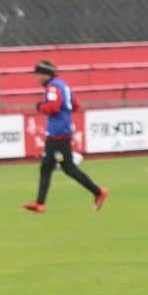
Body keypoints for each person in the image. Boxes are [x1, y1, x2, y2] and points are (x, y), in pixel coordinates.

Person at [23, 59, 107, 214]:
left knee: (67, 168)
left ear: (45, 74)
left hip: (58, 134)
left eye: (38, 75)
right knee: (47, 167)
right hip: (61, 132)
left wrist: (40, 107)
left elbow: (53, 107)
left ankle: (98, 192)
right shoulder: (63, 85)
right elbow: (75, 105)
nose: (36, 78)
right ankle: (39, 203)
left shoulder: (53, 87)